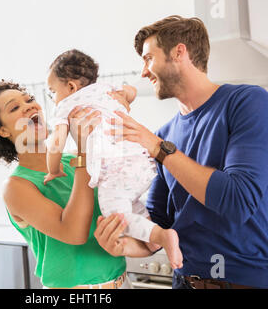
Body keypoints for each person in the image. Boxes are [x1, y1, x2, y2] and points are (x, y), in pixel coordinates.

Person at [95, 15, 268, 289]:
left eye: (148, 58)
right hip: (185, 282)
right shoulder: (164, 134)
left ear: (179, 52)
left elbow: (238, 200)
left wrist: (158, 149)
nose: (143, 72)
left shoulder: (248, 103)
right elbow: (159, 225)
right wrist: (126, 245)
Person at [0, 80, 137, 289]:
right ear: (3, 131)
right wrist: (84, 152)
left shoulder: (73, 160)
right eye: (15, 107)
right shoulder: (16, 187)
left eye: (29, 100)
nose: (30, 106)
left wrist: (114, 110)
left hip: (122, 282)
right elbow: (74, 233)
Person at [45, 49, 183, 269]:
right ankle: (150, 240)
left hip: (117, 169)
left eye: (52, 91)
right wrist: (125, 99)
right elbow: (130, 91)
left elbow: (55, 145)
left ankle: (163, 236)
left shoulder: (65, 107)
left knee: (115, 213)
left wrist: (53, 169)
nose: (53, 97)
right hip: (143, 161)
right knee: (133, 205)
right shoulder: (105, 90)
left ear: (70, 87)